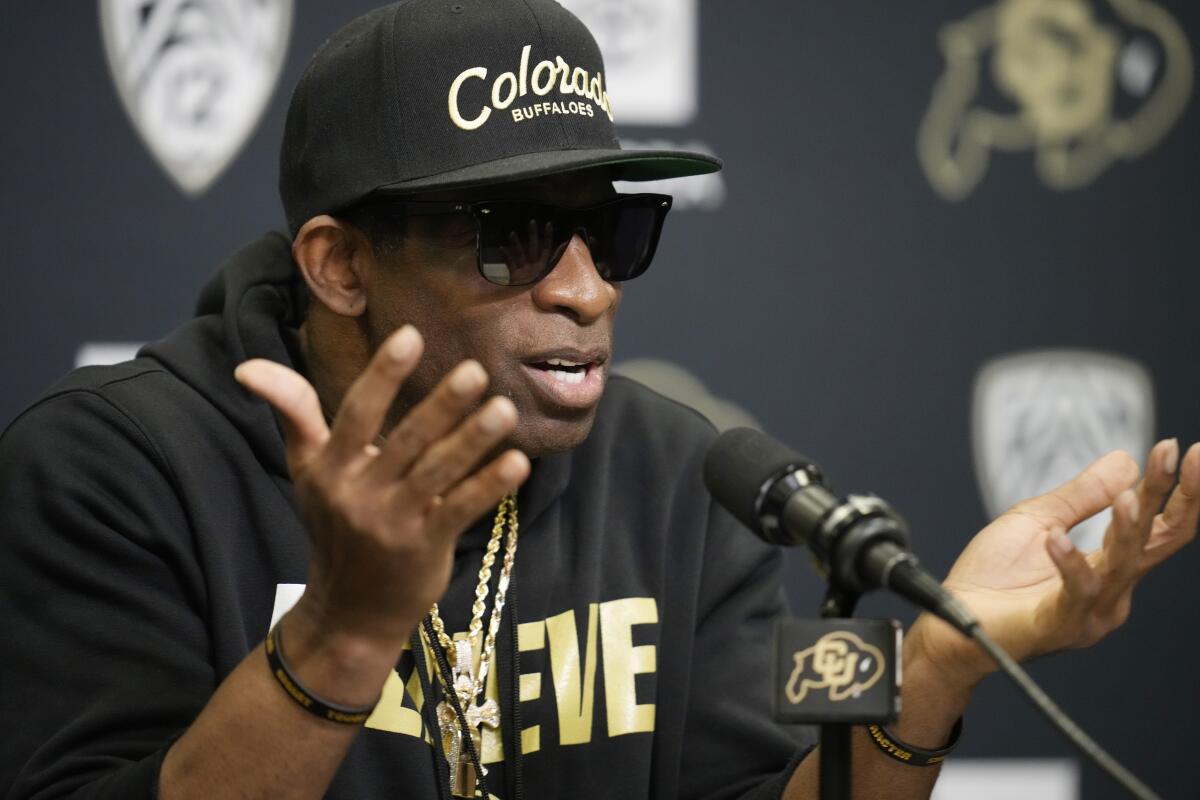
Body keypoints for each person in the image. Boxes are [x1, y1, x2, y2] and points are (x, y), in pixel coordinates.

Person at [0, 2, 1195, 799]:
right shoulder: (111, 467)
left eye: (612, 229)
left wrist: (931, 663)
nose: (584, 290)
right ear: (340, 265)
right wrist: (342, 634)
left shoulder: (684, 473)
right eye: (512, 236)